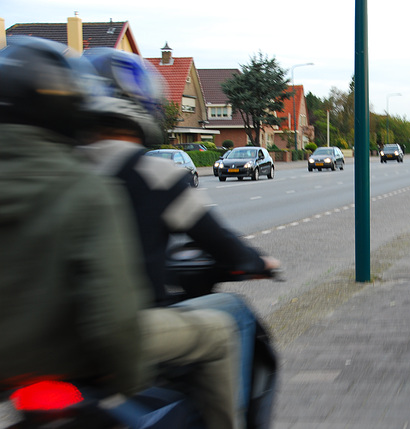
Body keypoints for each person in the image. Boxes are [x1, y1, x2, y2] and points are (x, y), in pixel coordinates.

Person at [0, 37, 243, 429]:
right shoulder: (88, 187)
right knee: (221, 332)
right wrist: (128, 378)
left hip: (13, 369)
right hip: (78, 350)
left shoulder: (78, 168)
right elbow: (112, 315)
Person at [78, 48, 280, 428]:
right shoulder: (154, 173)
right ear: (143, 104)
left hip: (52, 338)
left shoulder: (62, 167)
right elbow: (216, 239)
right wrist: (258, 261)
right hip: (127, 328)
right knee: (232, 319)